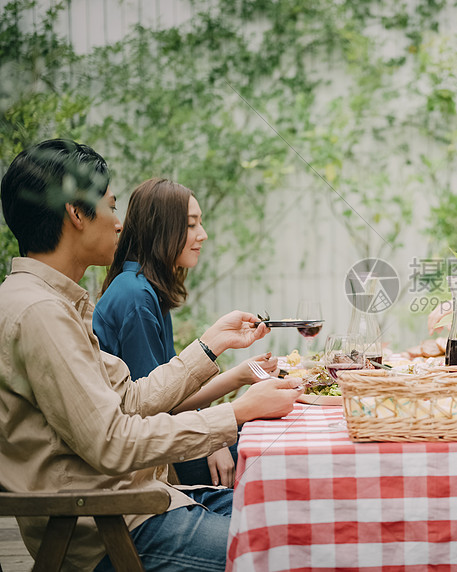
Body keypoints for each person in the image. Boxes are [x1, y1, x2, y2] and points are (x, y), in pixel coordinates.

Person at [0, 139, 302, 571]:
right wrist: (234, 416)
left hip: (141, 501)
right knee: (287, 551)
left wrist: (210, 343)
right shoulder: (41, 313)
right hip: (110, 524)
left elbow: (131, 400)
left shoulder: (54, 302)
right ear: (76, 214)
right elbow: (113, 442)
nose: (119, 224)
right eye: (110, 206)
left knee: (289, 516)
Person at [94, 177, 267, 487]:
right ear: (160, 230)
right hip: (147, 463)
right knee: (266, 454)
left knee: (263, 432)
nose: (203, 234)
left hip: (160, 438)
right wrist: (214, 439)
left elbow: (172, 394)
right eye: (191, 225)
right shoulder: (136, 297)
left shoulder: (146, 289)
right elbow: (152, 408)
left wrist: (242, 375)